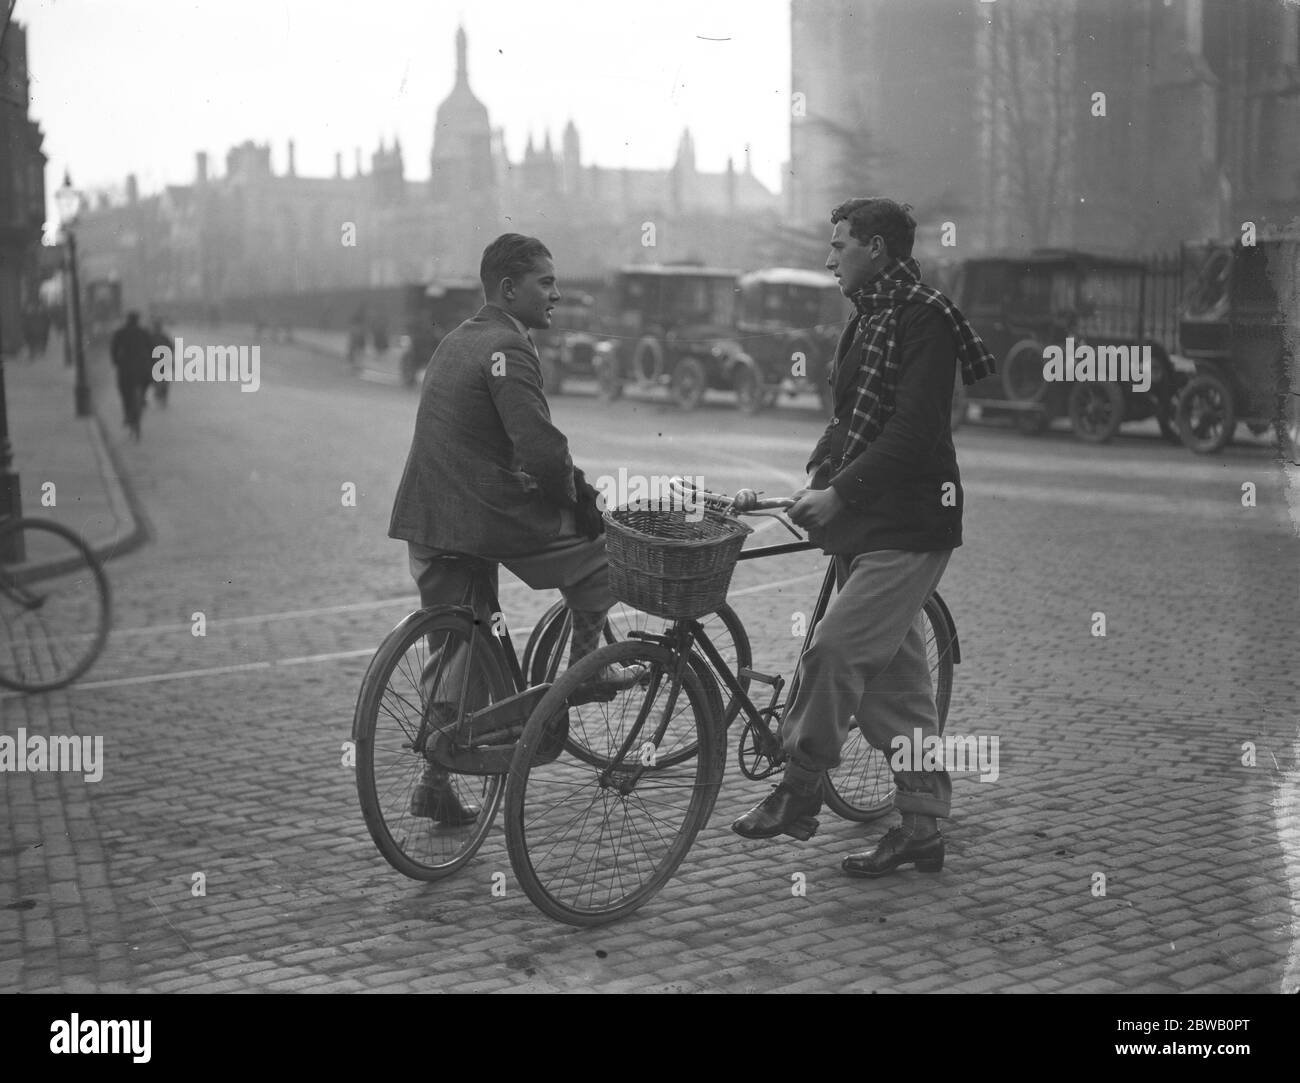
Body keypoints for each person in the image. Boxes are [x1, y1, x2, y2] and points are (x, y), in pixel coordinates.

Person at [732, 198, 995, 877]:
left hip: (909, 523)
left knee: (834, 650)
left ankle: (800, 786)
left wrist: (841, 491)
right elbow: (850, 421)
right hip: (867, 519)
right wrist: (821, 478)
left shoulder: (925, 323)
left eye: (841, 244)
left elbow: (911, 433)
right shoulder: (868, 320)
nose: (830, 257)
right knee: (898, 690)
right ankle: (921, 829)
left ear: (877, 249)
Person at [388, 233, 629, 823]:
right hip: (484, 517)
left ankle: (435, 778)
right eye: (545, 283)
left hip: (428, 517)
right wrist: (585, 502)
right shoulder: (510, 348)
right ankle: (586, 670)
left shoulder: (456, 340)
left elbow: (489, 438)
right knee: (603, 555)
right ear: (508, 288)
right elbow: (541, 450)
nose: (556, 293)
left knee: (460, 644)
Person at [109, 311, 155, 440]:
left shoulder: (120, 333)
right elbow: (153, 350)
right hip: (143, 369)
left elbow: (113, 349)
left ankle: (127, 415)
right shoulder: (144, 333)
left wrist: (116, 362)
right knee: (145, 387)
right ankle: (142, 400)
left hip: (126, 369)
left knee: (124, 392)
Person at [149, 316, 170, 406]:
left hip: (154, 362)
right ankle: (162, 397)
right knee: (164, 380)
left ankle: (159, 394)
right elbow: (171, 347)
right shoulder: (164, 337)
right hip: (163, 361)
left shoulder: (150, 337)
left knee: (157, 380)